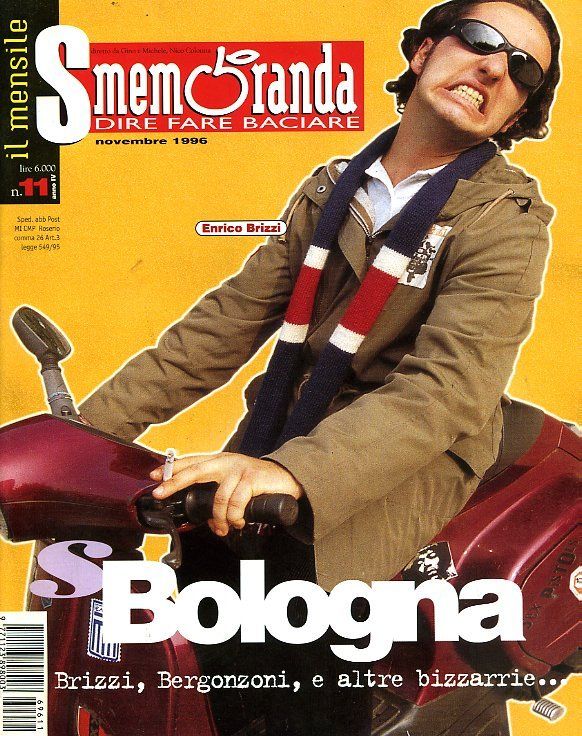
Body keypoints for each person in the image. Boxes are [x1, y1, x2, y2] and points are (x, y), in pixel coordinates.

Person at [79, 1, 560, 732]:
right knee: (207, 592)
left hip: (410, 451)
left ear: (517, 111)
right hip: (290, 427)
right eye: (480, 40)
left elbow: (446, 390)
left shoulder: (505, 220)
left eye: (522, 69)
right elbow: (227, 321)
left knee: (300, 615)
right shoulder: (336, 189)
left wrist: (294, 472)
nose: (495, 66)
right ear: (423, 52)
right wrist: (80, 434)